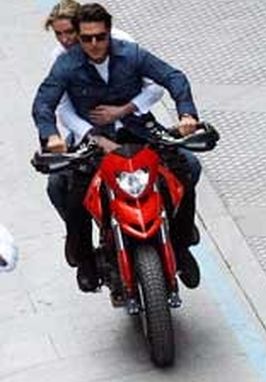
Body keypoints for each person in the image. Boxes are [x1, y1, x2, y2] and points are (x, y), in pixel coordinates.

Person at [32, 3, 202, 291]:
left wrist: (187, 114)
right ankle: (85, 258)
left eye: (99, 37)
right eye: (86, 38)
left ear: (109, 33)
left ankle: (181, 244)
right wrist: (51, 136)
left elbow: (172, 78)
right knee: (74, 195)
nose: (93, 44)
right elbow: (45, 103)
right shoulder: (65, 63)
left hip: (139, 131)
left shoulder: (131, 52)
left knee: (184, 171)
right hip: (94, 141)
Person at [42, 0, 169, 228]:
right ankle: (83, 248)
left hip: (135, 125)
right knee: (57, 185)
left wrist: (124, 109)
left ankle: (179, 232)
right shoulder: (61, 60)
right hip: (88, 132)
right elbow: (61, 107)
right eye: (58, 34)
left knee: (188, 165)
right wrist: (91, 136)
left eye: (70, 33)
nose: (65, 40)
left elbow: (157, 85)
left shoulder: (125, 45)